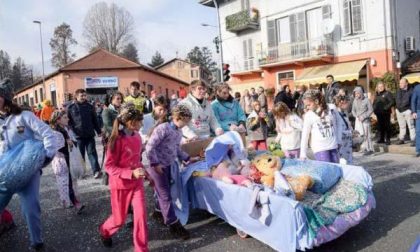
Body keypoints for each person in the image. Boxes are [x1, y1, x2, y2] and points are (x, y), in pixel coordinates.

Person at [0, 79, 63, 251]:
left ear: (5, 97)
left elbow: (48, 134)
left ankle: (37, 243)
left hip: (27, 172)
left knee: (31, 208)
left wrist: (47, 156)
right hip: (3, 175)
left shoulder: (24, 116)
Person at [99, 104, 148, 251]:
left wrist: (148, 174)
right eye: (139, 121)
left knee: (140, 217)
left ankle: (141, 249)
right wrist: (130, 173)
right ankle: (104, 231)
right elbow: (109, 166)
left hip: (136, 185)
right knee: (119, 219)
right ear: (130, 122)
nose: (142, 124)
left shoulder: (138, 137)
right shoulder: (116, 140)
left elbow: (137, 160)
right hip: (120, 185)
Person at [146, 105, 199, 240]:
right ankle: (173, 224)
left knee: (166, 192)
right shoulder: (163, 128)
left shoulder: (178, 131)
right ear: (177, 118)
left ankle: (158, 212)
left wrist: (187, 158)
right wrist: (155, 163)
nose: (186, 124)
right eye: (185, 121)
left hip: (169, 165)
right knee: (165, 196)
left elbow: (176, 149)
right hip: (157, 168)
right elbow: (150, 147)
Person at [50, 111, 85, 213]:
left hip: (69, 158)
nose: (68, 119)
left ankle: (73, 201)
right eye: (65, 118)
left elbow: (74, 141)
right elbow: (56, 148)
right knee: (66, 182)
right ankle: (74, 203)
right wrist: (67, 143)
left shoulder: (67, 129)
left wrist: (71, 142)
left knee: (71, 181)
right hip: (62, 160)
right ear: (58, 120)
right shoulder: (55, 132)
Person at [67, 89, 103, 179]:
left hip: (89, 134)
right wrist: (69, 134)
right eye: (81, 96)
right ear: (76, 96)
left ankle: (96, 171)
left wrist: (99, 131)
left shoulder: (90, 106)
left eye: (84, 95)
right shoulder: (71, 108)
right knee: (80, 155)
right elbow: (68, 122)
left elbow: (95, 120)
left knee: (92, 153)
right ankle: (81, 172)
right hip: (78, 136)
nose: (83, 97)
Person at [300, 89, 340, 163]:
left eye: (309, 105)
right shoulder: (309, 115)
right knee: (327, 171)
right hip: (320, 148)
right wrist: (303, 153)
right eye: (306, 106)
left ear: (316, 101)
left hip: (333, 145)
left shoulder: (331, 108)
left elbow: (339, 123)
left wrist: (339, 139)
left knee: (336, 170)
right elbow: (305, 135)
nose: (307, 108)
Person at [352, 86, 374, 155]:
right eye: (355, 94)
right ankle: (364, 148)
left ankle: (370, 150)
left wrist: (363, 117)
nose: (356, 95)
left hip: (365, 121)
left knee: (367, 135)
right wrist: (356, 116)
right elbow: (353, 110)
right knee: (360, 135)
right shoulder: (355, 100)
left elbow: (371, 110)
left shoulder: (366, 100)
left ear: (361, 93)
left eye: (357, 93)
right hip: (358, 121)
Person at [395, 78, 416, 146]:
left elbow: (412, 101)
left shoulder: (411, 90)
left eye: (402, 83)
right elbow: (397, 100)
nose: (400, 84)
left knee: (411, 126)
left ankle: (413, 139)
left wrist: (411, 110)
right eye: (399, 83)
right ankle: (401, 139)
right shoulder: (398, 90)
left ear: (406, 83)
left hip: (407, 110)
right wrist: (398, 108)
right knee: (402, 126)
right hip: (399, 111)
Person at [334, 95, 353, 164]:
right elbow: (337, 128)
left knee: (348, 160)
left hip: (347, 142)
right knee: (343, 161)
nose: (348, 105)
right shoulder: (336, 113)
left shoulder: (344, 112)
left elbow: (347, 124)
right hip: (341, 142)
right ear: (340, 103)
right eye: (346, 103)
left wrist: (352, 131)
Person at [411, 83, 420, 157]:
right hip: (419, 111)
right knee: (418, 131)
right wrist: (413, 112)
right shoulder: (417, 88)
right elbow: (413, 100)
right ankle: (418, 150)